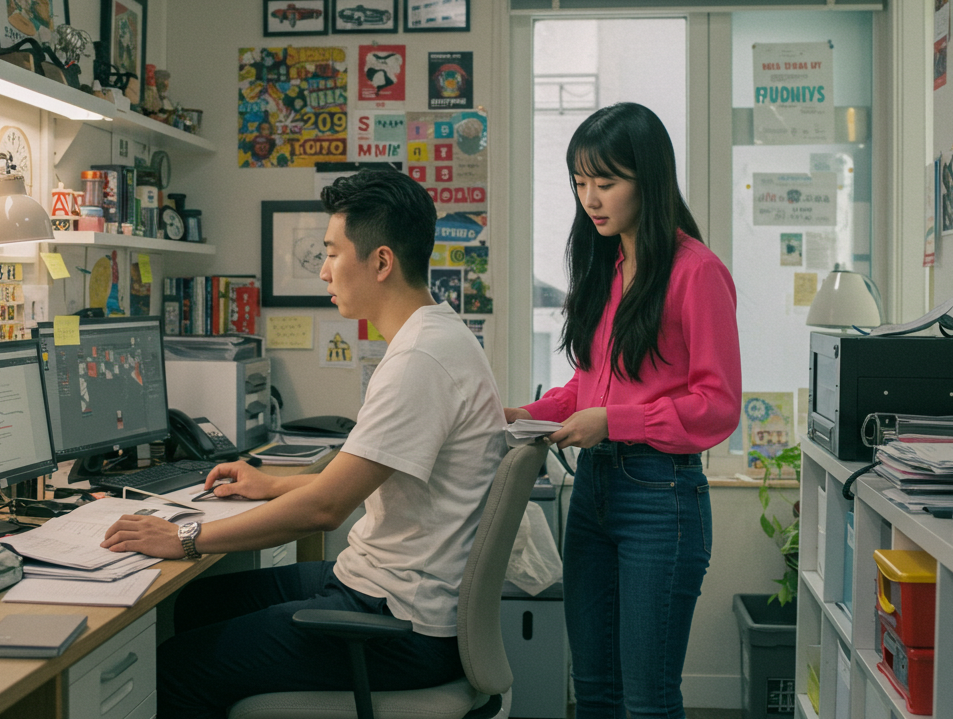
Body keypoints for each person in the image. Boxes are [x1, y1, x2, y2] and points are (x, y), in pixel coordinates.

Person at [101, 168, 507, 719]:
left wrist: (186, 538)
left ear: (381, 262)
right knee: (199, 601)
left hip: (400, 624)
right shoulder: (436, 335)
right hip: (395, 591)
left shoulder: (419, 360)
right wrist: (274, 482)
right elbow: (358, 467)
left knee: (176, 668)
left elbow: (325, 508)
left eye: (333, 253)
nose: (323, 271)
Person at [505, 102, 741, 718]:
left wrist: (614, 422)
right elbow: (590, 387)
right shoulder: (608, 267)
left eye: (606, 182)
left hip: (661, 498)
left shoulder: (697, 272)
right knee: (594, 691)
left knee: (648, 699)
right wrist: (517, 414)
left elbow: (717, 407)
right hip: (595, 493)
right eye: (580, 183)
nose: (591, 198)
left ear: (649, 179)